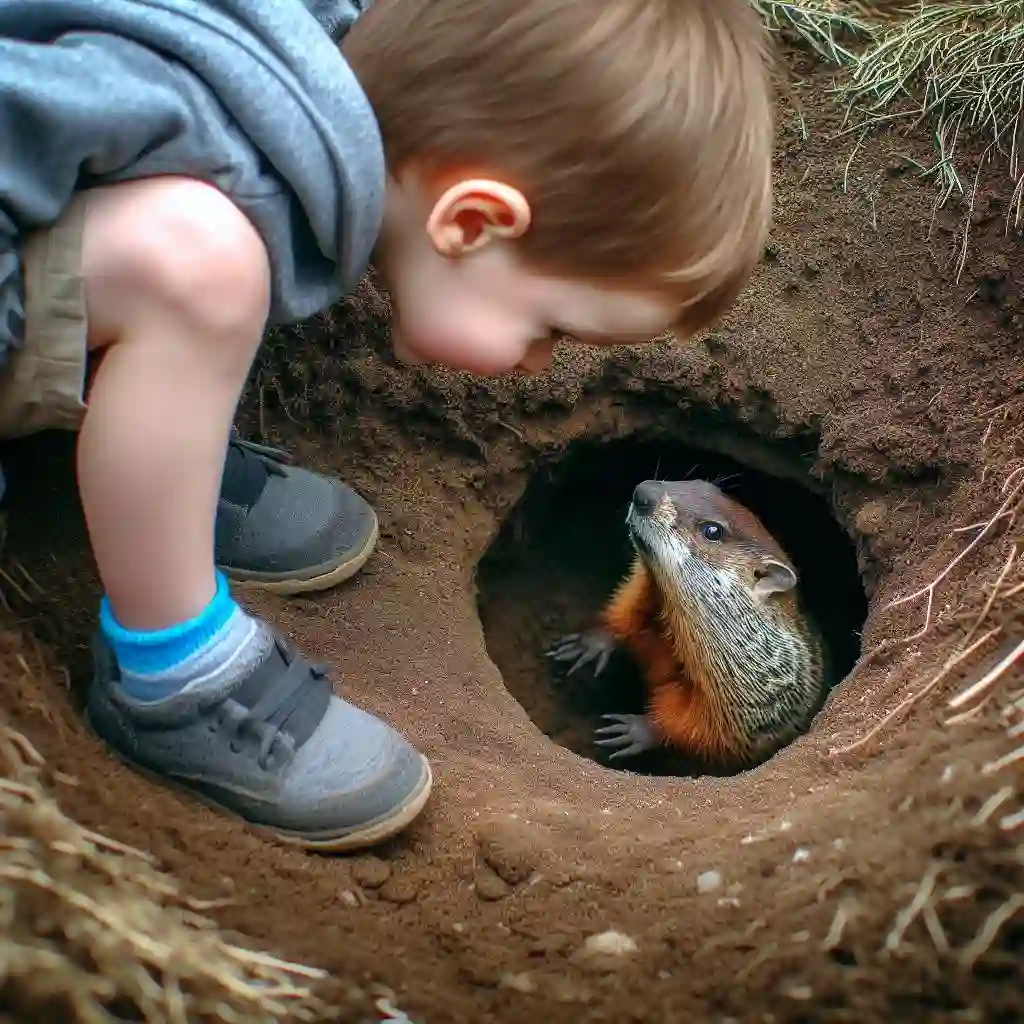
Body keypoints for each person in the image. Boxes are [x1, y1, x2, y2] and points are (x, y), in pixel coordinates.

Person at [0, 0, 774, 851]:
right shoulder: (165, 115)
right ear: (470, 222)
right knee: (203, 271)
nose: (539, 366)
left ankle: (155, 454)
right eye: (547, 329)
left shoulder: (335, 54)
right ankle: (176, 672)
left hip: (58, 257)